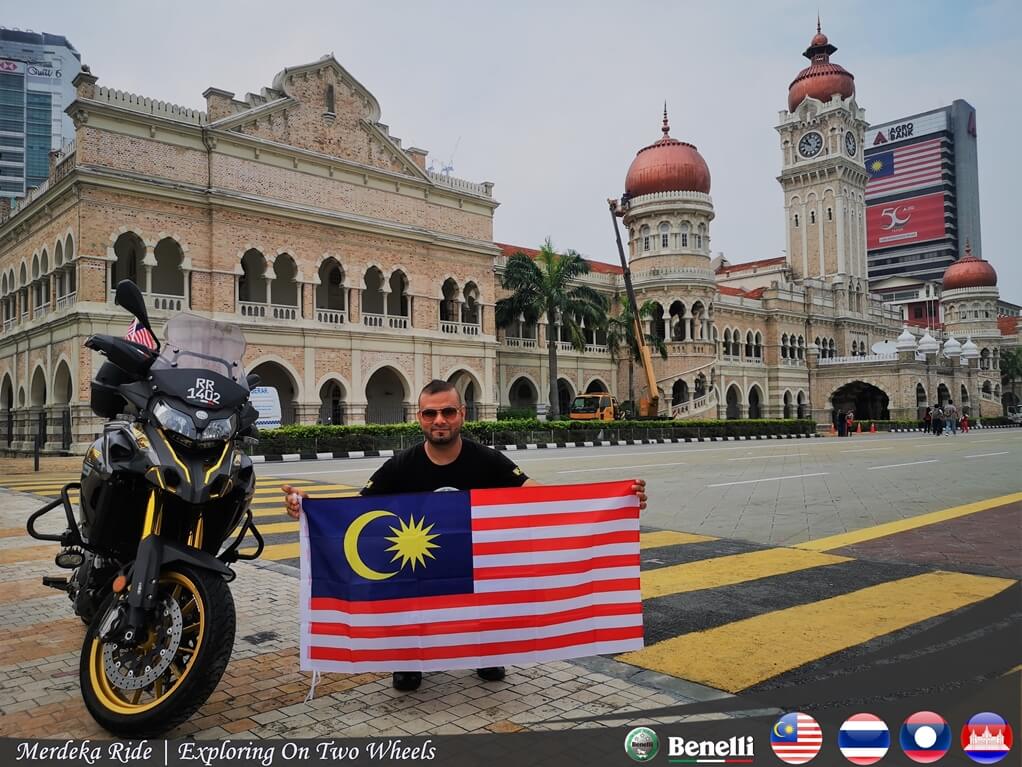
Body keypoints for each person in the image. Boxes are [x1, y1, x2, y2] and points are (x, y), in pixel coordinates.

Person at [283, 379, 647, 692]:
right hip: (417, 563)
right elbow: (355, 512)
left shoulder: (486, 460)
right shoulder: (401, 465)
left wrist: (616, 503)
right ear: (419, 418)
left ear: (462, 415)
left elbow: (538, 496)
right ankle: (408, 660)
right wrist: (310, 509)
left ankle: (487, 653)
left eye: (448, 412)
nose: (439, 420)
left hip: (476, 560)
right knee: (412, 606)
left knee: (486, 602)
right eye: (430, 414)